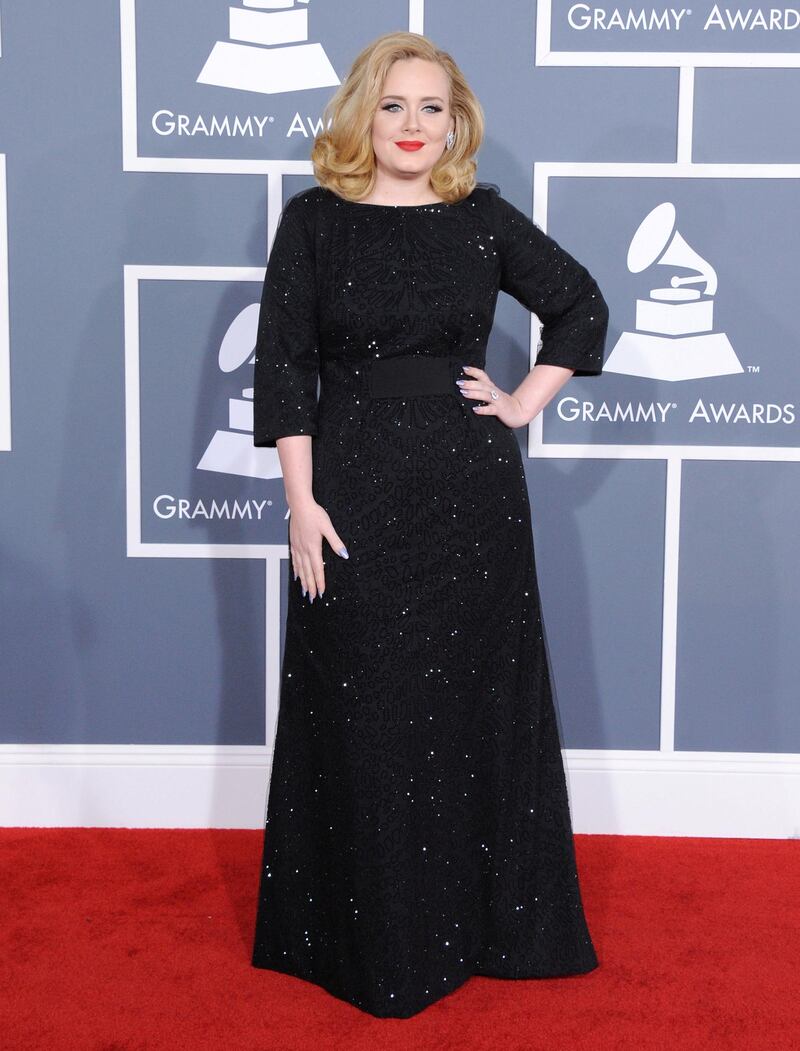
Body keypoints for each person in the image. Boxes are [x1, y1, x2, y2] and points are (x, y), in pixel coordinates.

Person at [250, 30, 609, 1019]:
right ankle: (368, 940)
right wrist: (300, 502)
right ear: (363, 114)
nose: (413, 126)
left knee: (467, 710)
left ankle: (487, 930)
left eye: (432, 109)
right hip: (353, 483)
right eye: (395, 105)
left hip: (470, 494)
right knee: (365, 702)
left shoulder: (480, 220)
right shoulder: (314, 223)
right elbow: (283, 367)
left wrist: (523, 401)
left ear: (456, 124)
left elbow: (578, 305)